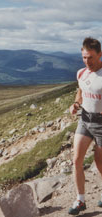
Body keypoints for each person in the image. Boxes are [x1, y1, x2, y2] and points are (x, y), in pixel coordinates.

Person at [68, 37, 102, 215]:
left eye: (90, 57)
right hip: (85, 120)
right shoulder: (81, 73)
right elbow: (81, 91)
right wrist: (75, 104)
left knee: (100, 162)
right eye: (84, 57)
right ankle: (80, 200)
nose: (87, 61)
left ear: (100, 54)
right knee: (76, 160)